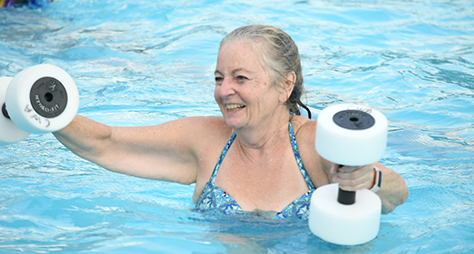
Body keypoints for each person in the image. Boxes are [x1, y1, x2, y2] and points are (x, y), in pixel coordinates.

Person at [53, 25, 408, 220]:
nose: (224, 91)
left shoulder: (316, 145)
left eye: (240, 78)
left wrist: (370, 178)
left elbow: (396, 194)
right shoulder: (206, 141)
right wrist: (42, 109)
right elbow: (107, 142)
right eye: (219, 77)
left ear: (284, 86)